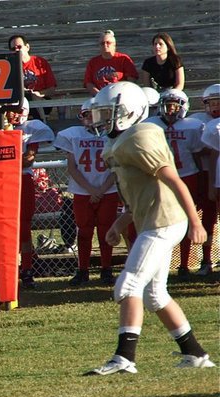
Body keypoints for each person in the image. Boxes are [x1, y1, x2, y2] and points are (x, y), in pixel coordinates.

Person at [86, 81, 214, 375]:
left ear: (128, 112)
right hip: (153, 219)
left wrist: (196, 222)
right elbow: (141, 192)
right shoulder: (121, 140)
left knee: (128, 285)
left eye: (108, 112)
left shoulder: (139, 138)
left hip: (164, 222)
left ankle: (124, 358)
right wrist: (121, 222)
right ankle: (195, 354)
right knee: (154, 295)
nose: (101, 119)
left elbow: (173, 180)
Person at [144, 89, 215, 276]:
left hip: (187, 175)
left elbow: (200, 152)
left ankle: (185, 263)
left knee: (188, 219)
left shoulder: (193, 125)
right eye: (167, 106)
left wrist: (202, 177)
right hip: (161, 176)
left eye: (175, 106)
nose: (170, 110)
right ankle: (163, 264)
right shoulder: (151, 125)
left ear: (183, 107)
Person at [53, 98, 118, 285]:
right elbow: (72, 168)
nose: (90, 119)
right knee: (84, 232)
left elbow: (117, 167)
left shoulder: (111, 135)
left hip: (107, 189)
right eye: (86, 115)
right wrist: (91, 190)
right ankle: (83, 270)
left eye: (93, 114)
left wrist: (101, 189)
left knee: (106, 231)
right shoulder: (73, 135)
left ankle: (107, 269)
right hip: (83, 191)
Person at [5, 98, 55, 289]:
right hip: (2, 181)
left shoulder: (32, 127)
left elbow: (28, 160)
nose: (12, 114)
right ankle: (9, 268)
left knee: (24, 227)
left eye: (17, 109)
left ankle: (27, 268)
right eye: (10, 110)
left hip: (22, 179)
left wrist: (6, 161)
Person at [9, 34, 57, 120]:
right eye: (13, 48)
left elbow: (52, 89)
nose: (16, 50)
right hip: (19, 101)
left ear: (27, 47)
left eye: (19, 47)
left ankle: (41, 123)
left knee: (33, 97)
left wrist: (39, 94)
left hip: (41, 99)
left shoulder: (40, 62)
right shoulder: (9, 66)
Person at [84, 30, 138, 96]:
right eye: (102, 43)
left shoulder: (123, 59)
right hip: (99, 97)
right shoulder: (93, 62)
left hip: (121, 96)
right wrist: (100, 95)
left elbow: (131, 80)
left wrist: (122, 94)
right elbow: (88, 83)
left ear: (114, 45)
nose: (105, 45)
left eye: (108, 43)